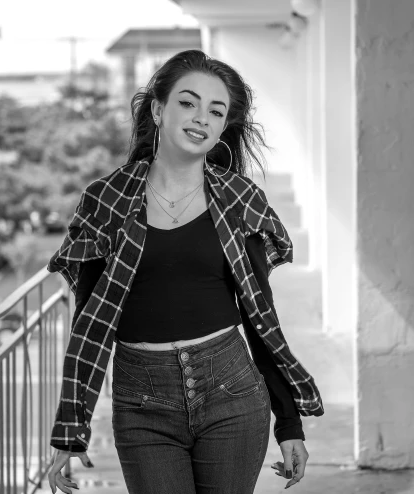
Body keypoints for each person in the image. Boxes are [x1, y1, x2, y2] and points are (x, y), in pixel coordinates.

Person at [46, 49, 324, 494]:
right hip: (142, 402)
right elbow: (90, 326)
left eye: (216, 111)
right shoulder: (106, 200)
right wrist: (70, 427)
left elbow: (261, 319)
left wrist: (289, 423)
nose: (201, 118)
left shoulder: (239, 199)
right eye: (188, 103)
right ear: (158, 109)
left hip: (231, 391)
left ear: (222, 127)